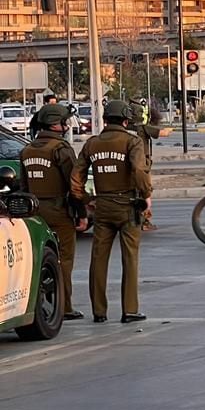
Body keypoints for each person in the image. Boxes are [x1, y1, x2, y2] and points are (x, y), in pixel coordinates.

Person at [71, 100, 151, 324]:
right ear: (126, 120)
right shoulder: (132, 141)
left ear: (105, 119)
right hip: (127, 204)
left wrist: (86, 199)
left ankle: (99, 311)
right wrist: (146, 194)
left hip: (102, 205)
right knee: (130, 258)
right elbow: (138, 170)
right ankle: (130, 310)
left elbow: (77, 176)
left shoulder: (92, 144)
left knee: (98, 259)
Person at [20, 104, 87, 320]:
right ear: (55, 124)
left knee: (39, 260)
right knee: (64, 260)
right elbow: (74, 183)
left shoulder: (27, 150)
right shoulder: (61, 149)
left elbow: (23, 187)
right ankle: (65, 306)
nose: (67, 125)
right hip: (59, 211)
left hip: (34, 213)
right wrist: (81, 212)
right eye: (64, 122)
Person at [129, 97, 169, 232]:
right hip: (142, 165)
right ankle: (144, 221)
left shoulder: (127, 128)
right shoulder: (143, 127)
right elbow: (162, 133)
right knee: (144, 193)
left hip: (128, 165)